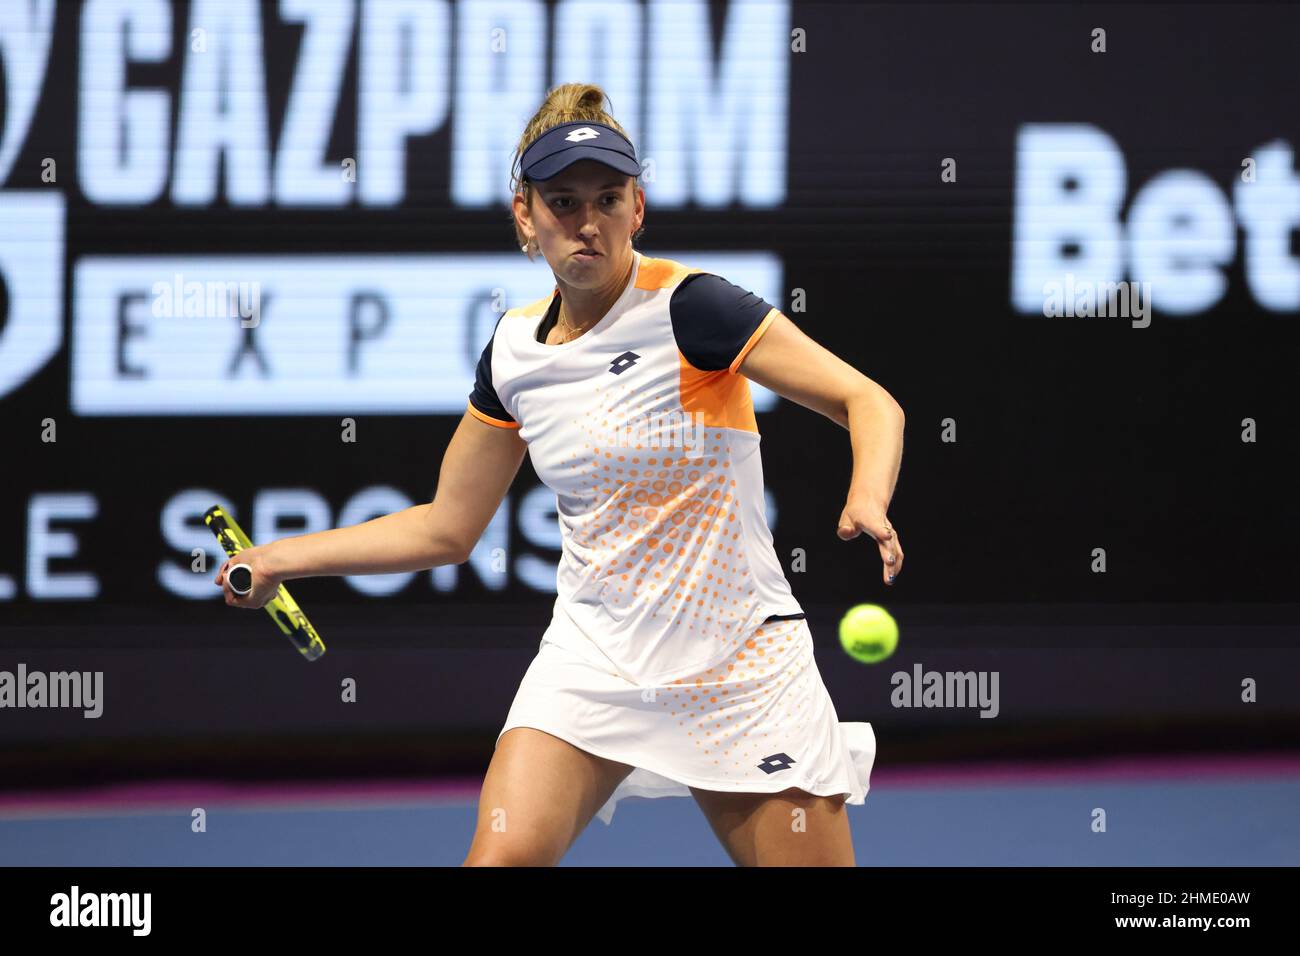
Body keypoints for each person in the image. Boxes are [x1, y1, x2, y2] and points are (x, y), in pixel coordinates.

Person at [216, 83, 905, 867]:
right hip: (594, 659)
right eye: (563, 201)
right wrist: (276, 558)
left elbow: (866, 401)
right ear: (525, 215)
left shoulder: (694, 310)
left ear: (637, 208)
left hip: (738, 662)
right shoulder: (513, 354)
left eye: (609, 199)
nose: (587, 222)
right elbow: (447, 526)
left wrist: (868, 495)